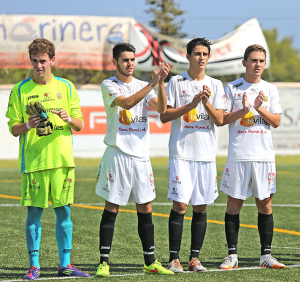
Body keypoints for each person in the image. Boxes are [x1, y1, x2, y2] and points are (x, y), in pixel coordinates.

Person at [5, 38, 89, 280]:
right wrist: (27, 125)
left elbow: (80, 124)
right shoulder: (20, 90)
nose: (38, 66)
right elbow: (13, 128)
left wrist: (67, 118)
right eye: (34, 61)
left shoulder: (67, 87)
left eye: (43, 61)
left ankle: (65, 265)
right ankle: (34, 266)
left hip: (62, 162)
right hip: (34, 162)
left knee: (64, 214)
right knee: (34, 215)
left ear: (53, 60)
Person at [95, 42, 174, 277]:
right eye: (125, 60)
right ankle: (103, 262)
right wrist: (152, 82)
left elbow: (161, 109)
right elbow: (127, 103)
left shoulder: (144, 85)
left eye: (132, 59)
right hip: (117, 154)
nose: (130, 64)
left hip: (141, 156)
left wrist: (159, 83)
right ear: (115, 62)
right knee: (112, 206)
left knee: (146, 207)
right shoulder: (109, 84)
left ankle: (150, 261)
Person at [160, 38, 225, 272]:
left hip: (206, 156)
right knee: (180, 205)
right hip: (181, 154)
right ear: (187, 56)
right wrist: (192, 103)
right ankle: (174, 258)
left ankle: (194, 259)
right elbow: (165, 116)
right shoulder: (176, 82)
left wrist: (205, 103)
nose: (201, 57)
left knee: (201, 207)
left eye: (205, 53)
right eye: (197, 53)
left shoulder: (216, 84)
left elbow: (219, 120)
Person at [219, 44, 285, 269]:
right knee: (233, 205)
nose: (258, 65)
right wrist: (244, 110)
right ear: (244, 62)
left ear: (265, 64)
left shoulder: (270, 89)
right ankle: (232, 256)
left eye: (261, 61)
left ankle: (266, 256)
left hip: (264, 156)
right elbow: (223, 119)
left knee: (265, 206)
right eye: (254, 60)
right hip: (239, 155)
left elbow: (276, 122)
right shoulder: (233, 87)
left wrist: (258, 109)